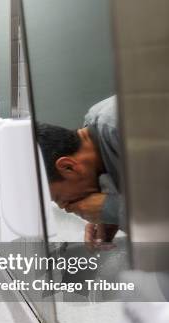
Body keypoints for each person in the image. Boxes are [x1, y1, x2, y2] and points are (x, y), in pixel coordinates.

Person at [35, 95, 124, 245]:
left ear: (68, 167)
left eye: (62, 200)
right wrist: (111, 218)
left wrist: (112, 209)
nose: (67, 209)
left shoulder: (119, 128)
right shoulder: (95, 139)